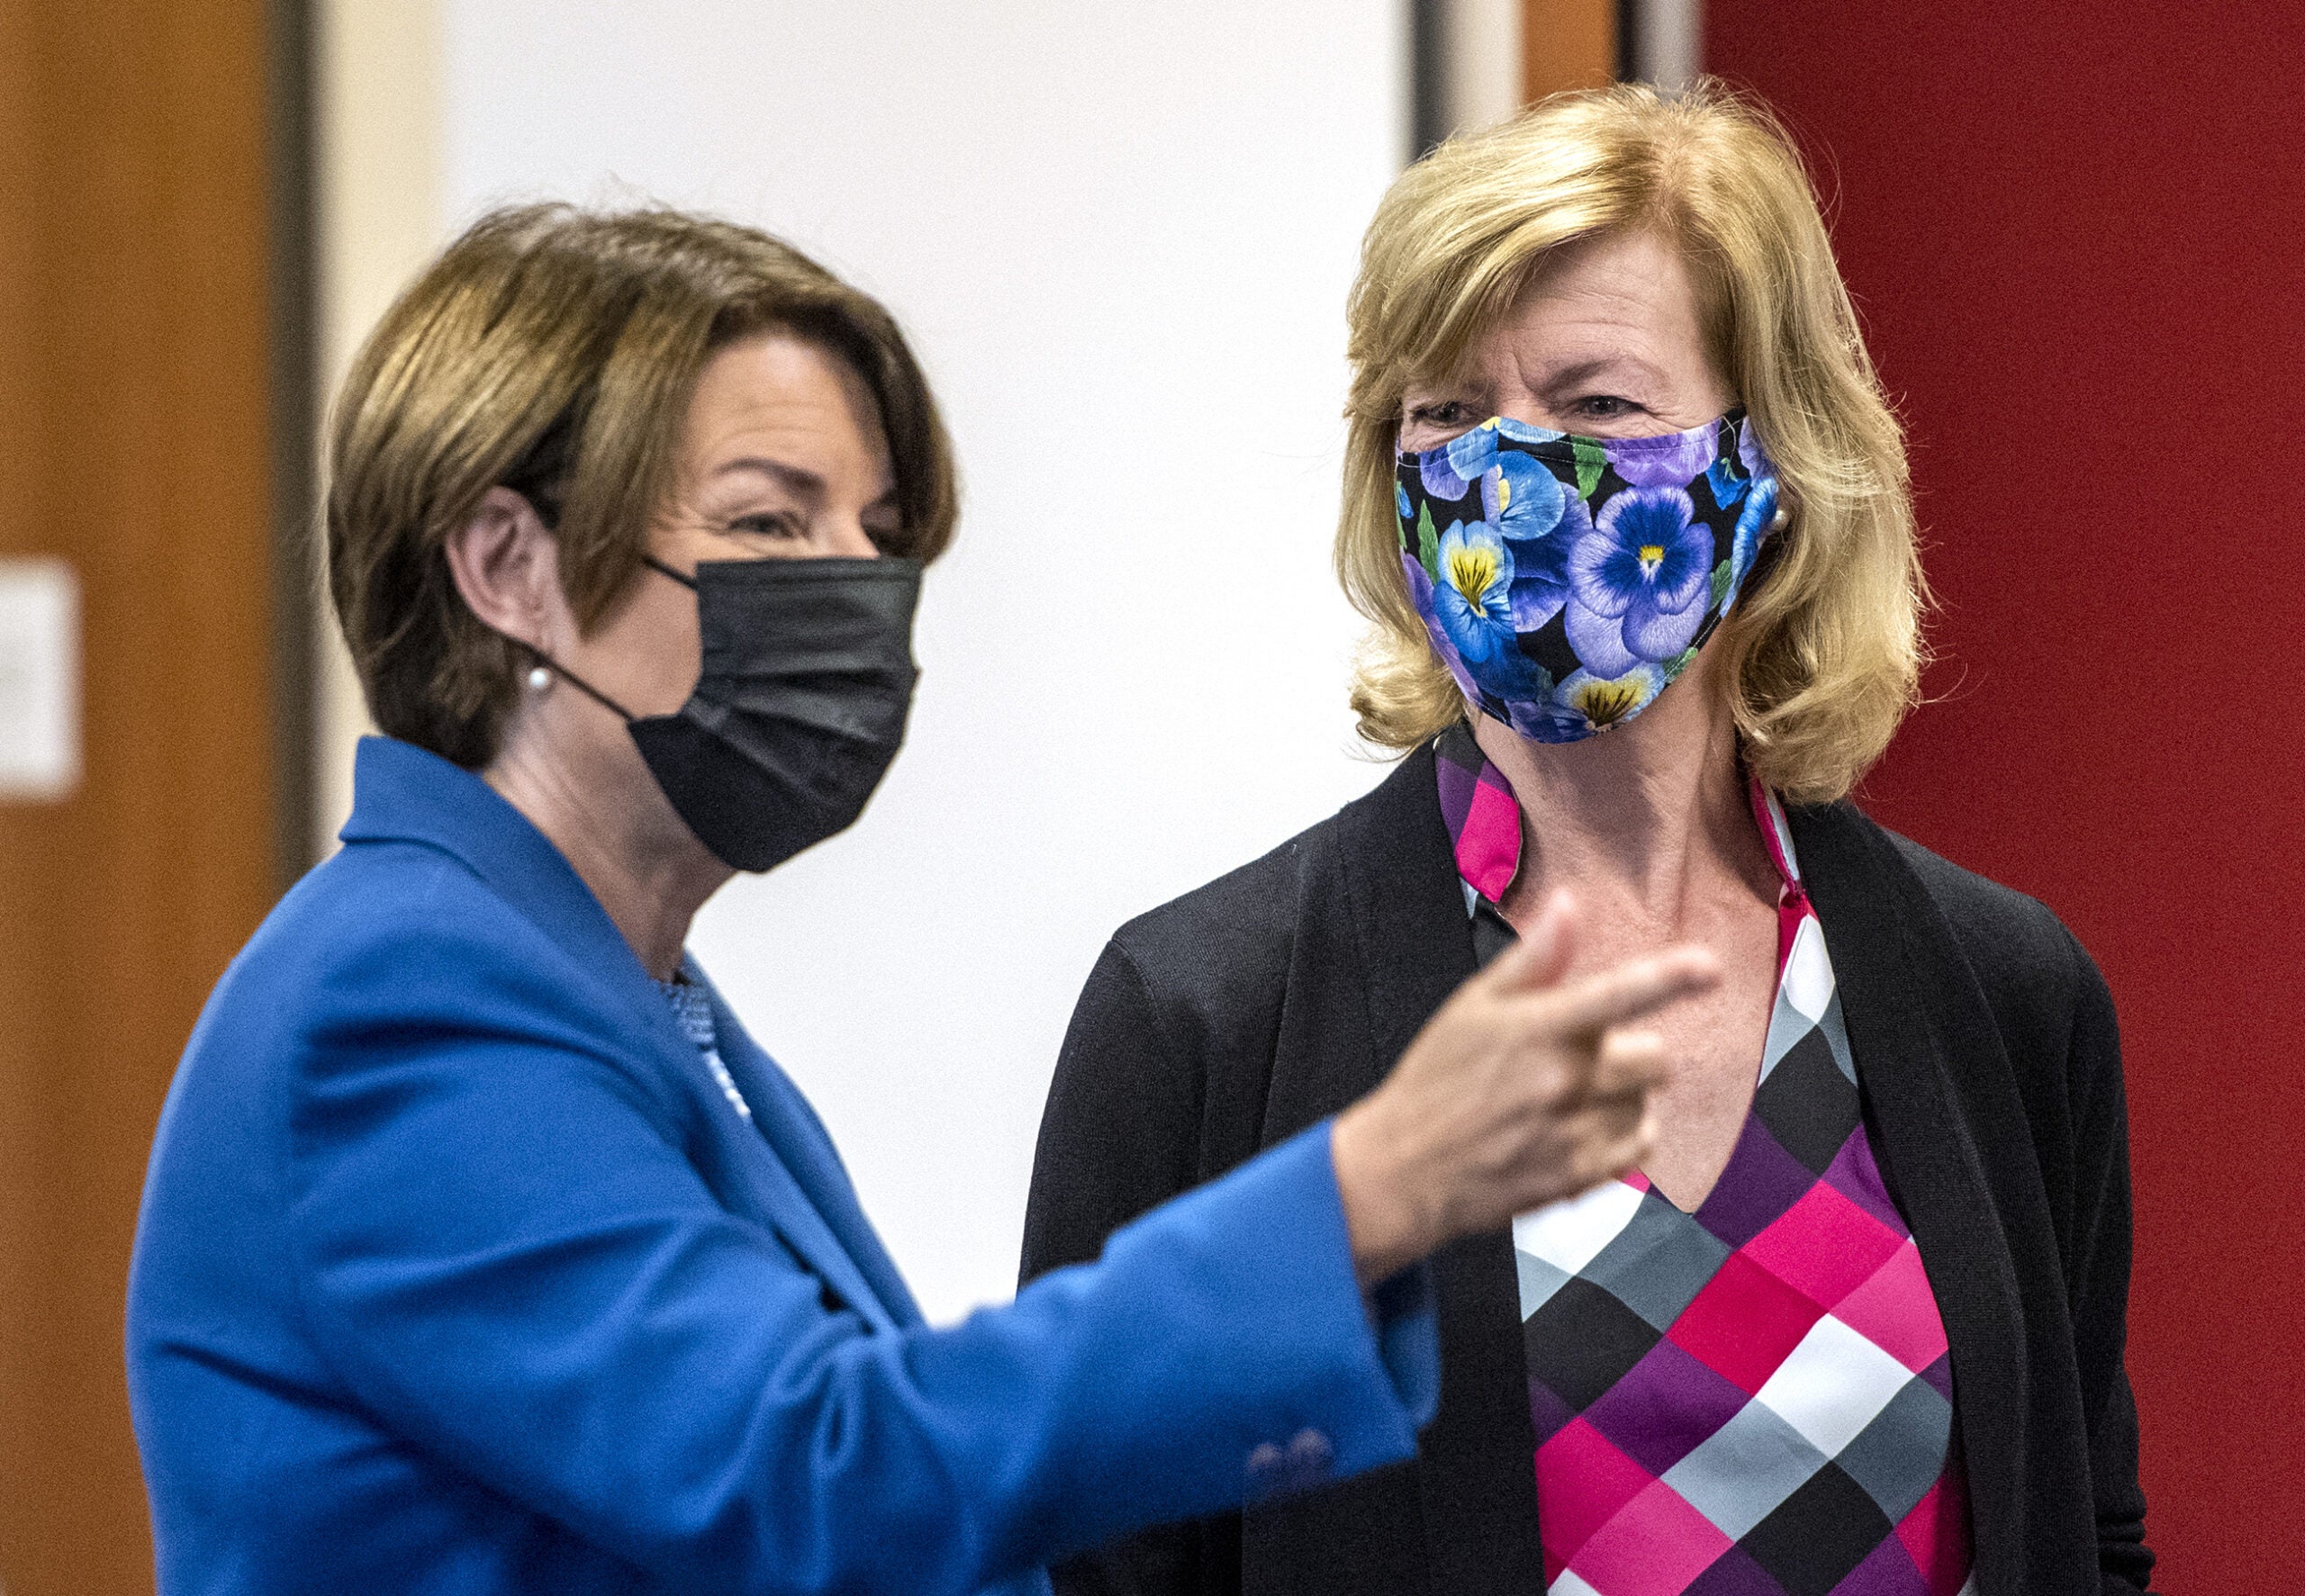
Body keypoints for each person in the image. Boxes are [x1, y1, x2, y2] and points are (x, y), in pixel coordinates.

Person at [123, 204, 1722, 1596]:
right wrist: (1366, 1185)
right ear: (505, 566)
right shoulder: (405, 1003)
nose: (860, 589)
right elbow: (828, 1475)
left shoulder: (633, 993)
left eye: (876, 533)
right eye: (768, 519)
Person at [1021, 81, 2153, 1596]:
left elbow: (2083, 1533)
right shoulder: (1206, 1020)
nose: (1505, 469)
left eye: (1595, 404)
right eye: (1445, 411)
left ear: (1771, 467)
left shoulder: (2008, 998)